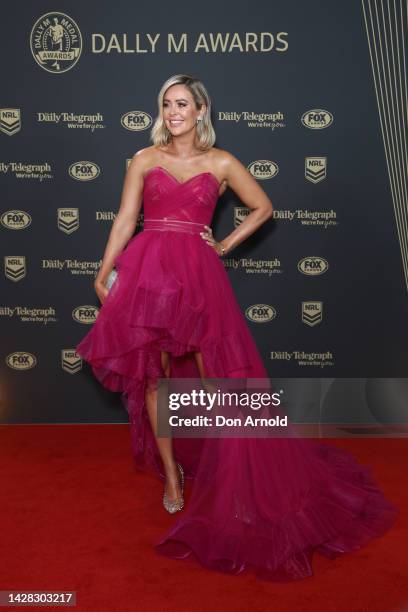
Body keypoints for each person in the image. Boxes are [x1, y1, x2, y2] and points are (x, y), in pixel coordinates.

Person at [76, 74, 399, 581]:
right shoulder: (144, 158)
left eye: (182, 103)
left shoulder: (221, 163)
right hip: (148, 274)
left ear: (202, 109)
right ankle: (174, 481)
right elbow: (125, 218)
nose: (174, 111)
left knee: (219, 383)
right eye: (167, 103)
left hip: (199, 278)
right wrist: (102, 269)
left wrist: (224, 245)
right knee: (155, 379)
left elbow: (264, 207)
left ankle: (235, 480)